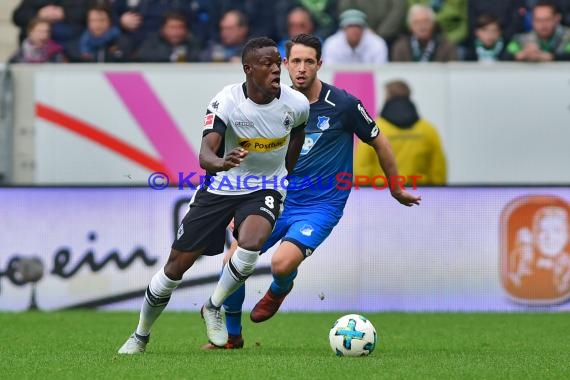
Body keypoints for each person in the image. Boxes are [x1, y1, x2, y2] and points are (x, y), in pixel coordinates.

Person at [204, 33, 421, 349]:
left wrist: (396, 187)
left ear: (320, 64)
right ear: (285, 64)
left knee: (281, 263)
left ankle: (280, 288)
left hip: (321, 204)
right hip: (277, 199)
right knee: (231, 262)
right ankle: (233, 337)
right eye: (295, 61)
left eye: (309, 61)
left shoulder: (343, 105)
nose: (301, 68)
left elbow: (379, 141)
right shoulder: (279, 105)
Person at [117, 37, 310, 354]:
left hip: (265, 187)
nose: (277, 68)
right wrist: (221, 162)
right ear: (249, 69)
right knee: (175, 270)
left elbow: (297, 135)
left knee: (251, 242)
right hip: (222, 186)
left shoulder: (297, 104)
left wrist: (284, 175)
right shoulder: (228, 101)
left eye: (279, 61)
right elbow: (205, 154)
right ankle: (140, 335)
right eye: (268, 63)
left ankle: (213, 305)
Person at [354, 80, 447, 185]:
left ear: (387, 97)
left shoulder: (373, 129)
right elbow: (438, 169)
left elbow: (362, 166)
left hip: (381, 195)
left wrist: (366, 193)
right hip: (419, 195)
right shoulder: (428, 130)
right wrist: (437, 191)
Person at [504, 0, 570, 62]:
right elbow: (504, 55)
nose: (543, 24)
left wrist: (551, 57)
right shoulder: (520, 40)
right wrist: (522, 55)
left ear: (557, 19)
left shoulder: (568, 38)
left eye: (547, 19)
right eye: (538, 20)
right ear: (532, 21)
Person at [391, 4, 458, 62]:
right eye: (417, 22)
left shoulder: (446, 46)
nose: (422, 26)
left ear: (433, 24)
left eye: (426, 21)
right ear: (410, 26)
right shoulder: (400, 47)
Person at [322, 9, 389, 64]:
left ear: (364, 28)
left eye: (358, 26)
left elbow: (380, 71)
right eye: (350, 26)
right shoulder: (331, 44)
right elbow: (330, 72)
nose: (354, 30)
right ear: (343, 29)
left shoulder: (377, 43)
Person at [135, 11, 201, 63]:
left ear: (186, 30)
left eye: (180, 27)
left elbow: (200, 57)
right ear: (163, 29)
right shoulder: (152, 42)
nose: (176, 32)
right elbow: (142, 56)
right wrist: (170, 56)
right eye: (172, 28)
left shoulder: (193, 43)